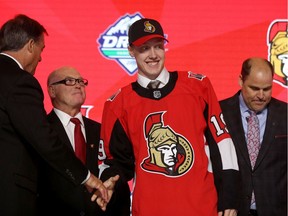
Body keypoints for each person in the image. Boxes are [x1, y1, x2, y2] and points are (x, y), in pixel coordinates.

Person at [98, 18, 240, 216]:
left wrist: (229, 198)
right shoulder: (118, 104)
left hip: (201, 208)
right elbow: (115, 162)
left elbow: (222, 143)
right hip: (150, 210)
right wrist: (109, 181)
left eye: (158, 46)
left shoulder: (198, 87)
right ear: (131, 51)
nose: (153, 55)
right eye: (144, 48)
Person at [0, 14, 116, 216]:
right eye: (41, 49)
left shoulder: (99, 130)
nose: (41, 57)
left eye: (81, 81)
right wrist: (86, 177)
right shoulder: (19, 80)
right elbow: (42, 138)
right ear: (30, 45)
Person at [38, 66, 131, 216]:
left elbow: (118, 166)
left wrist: (111, 182)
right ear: (52, 90)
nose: (78, 85)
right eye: (69, 81)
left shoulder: (101, 130)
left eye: (81, 81)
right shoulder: (41, 131)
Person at [219, 57, 287, 216]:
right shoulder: (219, 113)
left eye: (267, 89)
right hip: (231, 210)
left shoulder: (286, 114)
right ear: (241, 81)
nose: (261, 95)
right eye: (254, 88)